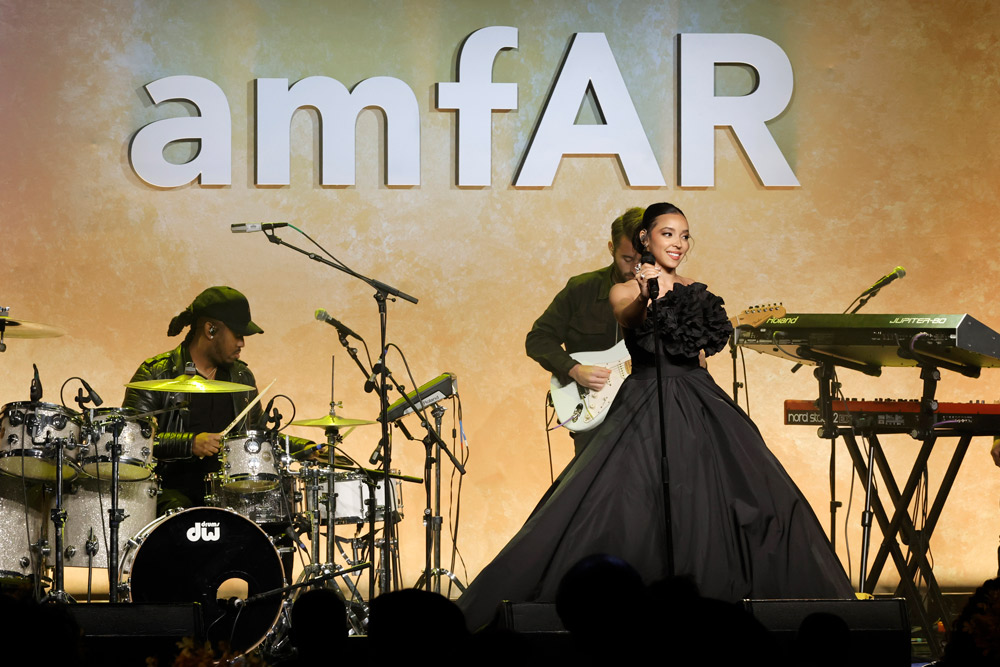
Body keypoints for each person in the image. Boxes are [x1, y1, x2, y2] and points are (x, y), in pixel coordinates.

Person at [458, 203, 854, 630]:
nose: (678, 244)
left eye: (684, 235)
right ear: (645, 238)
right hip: (647, 400)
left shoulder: (695, 289)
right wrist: (648, 295)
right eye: (668, 234)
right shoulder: (625, 290)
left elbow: (699, 353)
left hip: (700, 400)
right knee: (620, 506)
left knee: (756, 499)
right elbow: (630, 318)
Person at [123, 286, 311, 515]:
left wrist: (306, 448)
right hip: (167, 491)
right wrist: (189, 443)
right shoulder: (155, 373)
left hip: (229, 494)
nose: (242, 343)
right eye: (238, 335)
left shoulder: (241, 377)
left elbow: (258, 436)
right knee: (181, 512)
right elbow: (130, 444)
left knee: (280, 514)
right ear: (211, 330)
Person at [525, 207, 643, 454]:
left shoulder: (664, 293)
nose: (635, 268)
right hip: (594, 414)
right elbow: (538, 339)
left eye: (643, 259)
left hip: (646, 411)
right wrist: (574, 370)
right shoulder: (582, 289)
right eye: (627, 259)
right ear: (611, 248)